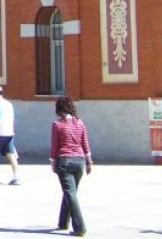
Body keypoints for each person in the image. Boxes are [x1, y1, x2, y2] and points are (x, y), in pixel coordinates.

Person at [49, 96, 93, 237]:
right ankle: (63, 222)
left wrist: (52, 161)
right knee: (70, 191)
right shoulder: (80, 123)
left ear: (58, 109)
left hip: (64, 161)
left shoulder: (57, 124)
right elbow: (85, 142)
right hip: (79, 161)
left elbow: (55, 145)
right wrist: (89, 160)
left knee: (70, 193)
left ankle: (80, 227)